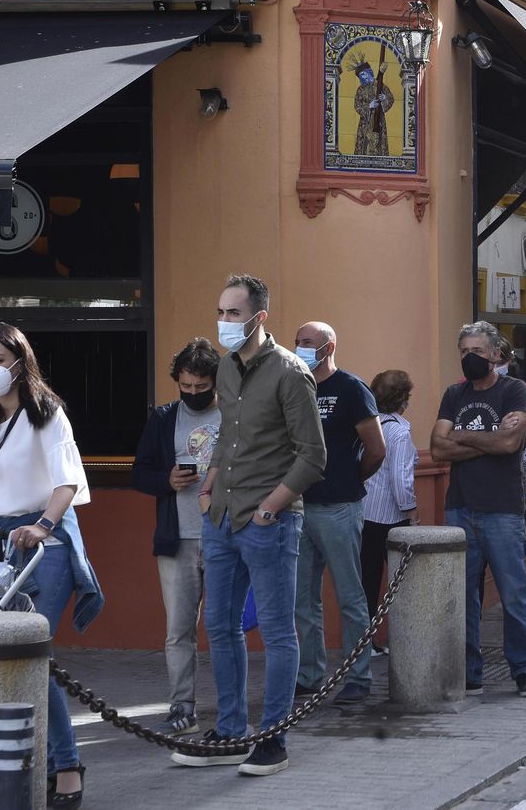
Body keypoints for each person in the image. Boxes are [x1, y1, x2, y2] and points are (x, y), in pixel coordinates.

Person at [173, 275, 325, 776]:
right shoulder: (226, 369)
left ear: (258, 317)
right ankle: (232, 732)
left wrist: (269, 508)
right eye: (220, 311)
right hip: (221, 517)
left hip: (269, 522)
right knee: (219, 625)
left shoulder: (291, 372)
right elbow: (228, 436)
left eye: (233, 313)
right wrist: (209, 487)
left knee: (278, 633)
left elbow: (312, 456)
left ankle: (272, 739)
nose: (223, 321)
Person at [0, 322, 102, 805]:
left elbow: (67, 480)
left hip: (42, 544)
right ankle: (11, 759)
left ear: (18, 363)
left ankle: (66, 764)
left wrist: (44, 525)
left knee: (32, 651)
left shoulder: (48, 413)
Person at [431, 321, 526, 697]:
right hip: (459, 506)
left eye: (476, 351)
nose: (469, 358)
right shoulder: (453, 393)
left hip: (502, 509)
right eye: (464, 352)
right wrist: (489, 439)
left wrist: (460, 435)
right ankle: (469, 672)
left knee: (513, 593)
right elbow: (437, 448)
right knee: (463, 596)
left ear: (495, 354)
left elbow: (510, 444)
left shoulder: (515, 391)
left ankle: (524, 670)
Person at [130, 338, 222, 736]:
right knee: (179, 629)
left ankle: (231, 707)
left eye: (201, 386)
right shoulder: (164, 418)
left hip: (222, 535)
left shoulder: (234, 416)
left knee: (225, 628)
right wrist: (166, 481)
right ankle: (182, 706)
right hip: (177, 536)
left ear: (215, 382)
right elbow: (140, 473)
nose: (193, 392)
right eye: (186, 386)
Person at [292, 321, 386, 706]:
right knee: (302, 600)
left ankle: (358, 676)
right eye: (297, 341)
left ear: (328, 347)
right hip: (297, 507)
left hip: (338, 509)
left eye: (307, 342)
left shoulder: (351, 388)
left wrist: (348, 478)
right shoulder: (294, 386)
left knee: (350, 597)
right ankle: (309, 675)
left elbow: (376, 450)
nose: (299, 347)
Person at [362, 370, 418, 655]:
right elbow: (401, 479)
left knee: (367, 581)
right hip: (391, 518)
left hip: (362, 512)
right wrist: (412, 513)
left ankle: (365, 643)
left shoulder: (366, 425)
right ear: (403, 398)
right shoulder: (399, 432)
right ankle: (408, 642)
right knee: (404, 582)